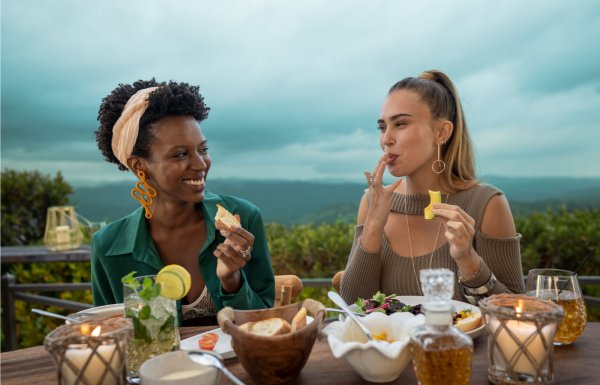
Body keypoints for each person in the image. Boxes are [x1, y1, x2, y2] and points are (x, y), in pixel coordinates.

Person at [91, 79, 275, 323]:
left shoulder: (242, 219)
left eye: (203, 149)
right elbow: (110, 331)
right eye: (180, 154)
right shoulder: (109, 247)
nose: (201, 164)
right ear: (139, 166)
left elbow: (265, 322)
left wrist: (232, 281)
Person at [340, 70, 525, 305]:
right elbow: (354, 308)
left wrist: (468, 260)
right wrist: (373, 226)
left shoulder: (488, 205)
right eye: (382, 127)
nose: (386, 139)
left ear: (441, 132)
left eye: (400, 124)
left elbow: (518, 314)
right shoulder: (372, 202)